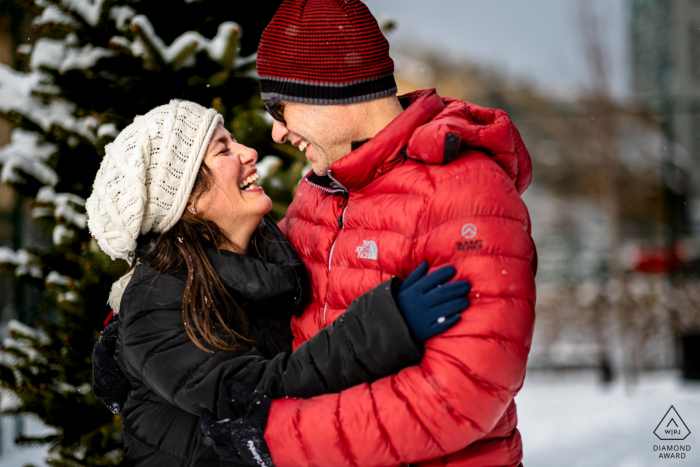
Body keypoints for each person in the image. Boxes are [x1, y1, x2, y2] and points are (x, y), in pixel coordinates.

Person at [200, 1, 537, 467]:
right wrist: (144, 314)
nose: (276, 133)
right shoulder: (321, 192)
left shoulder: (467, 193)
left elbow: (464, 394)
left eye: (281, 108)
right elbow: (246, 275)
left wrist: (278, 437)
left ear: (329, 89)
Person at [86, 99, 471, 467]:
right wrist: (384, 326)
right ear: (189, 199)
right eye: (223, 150)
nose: (249, 151)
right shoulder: (158, 300)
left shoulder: (269, 261)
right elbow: (254, 391)